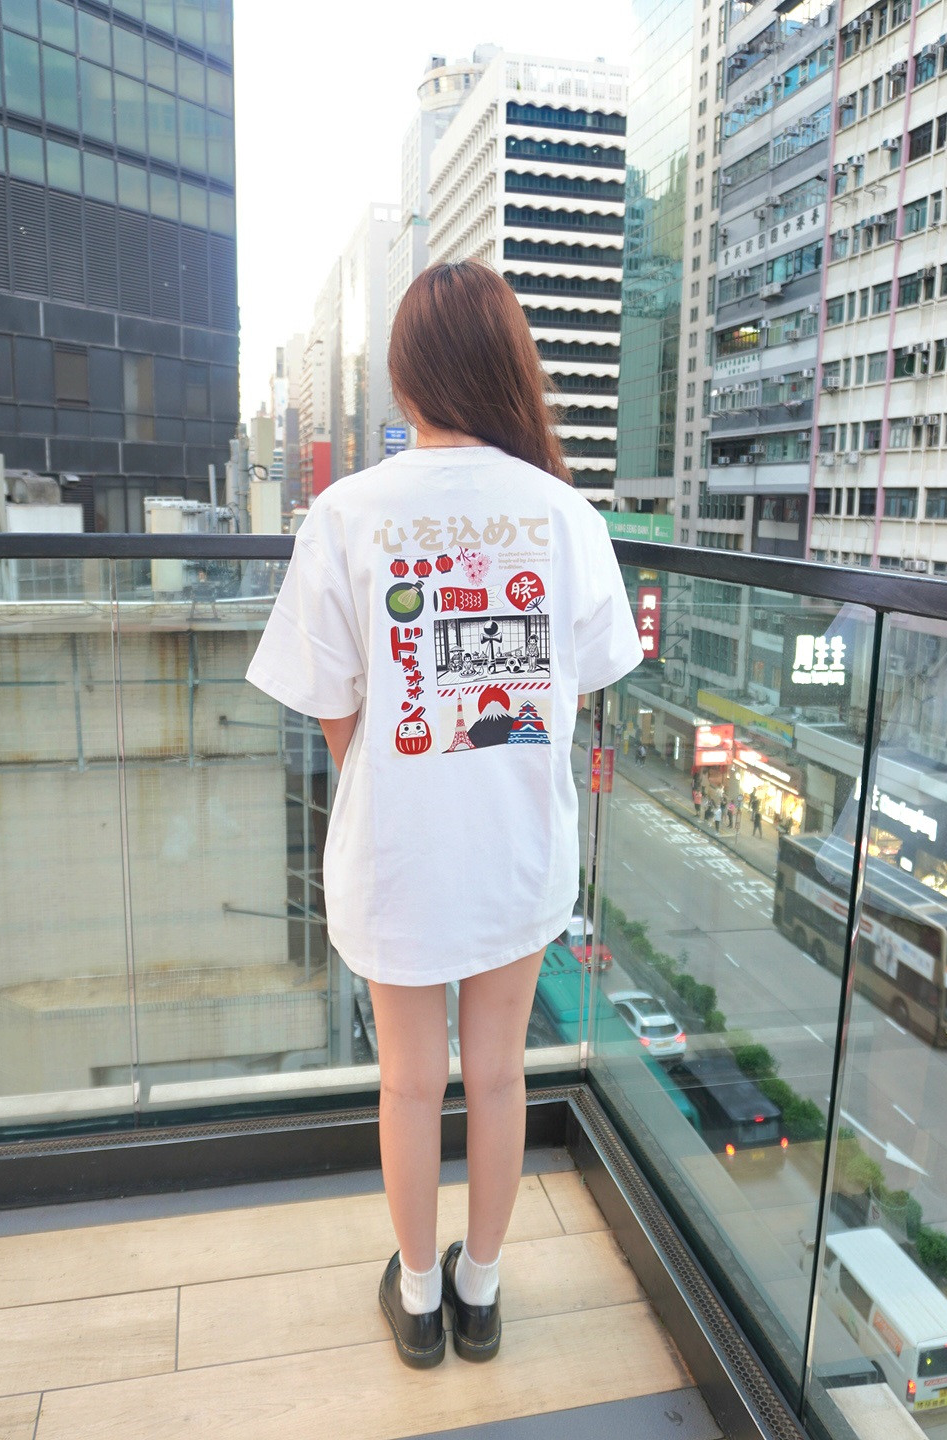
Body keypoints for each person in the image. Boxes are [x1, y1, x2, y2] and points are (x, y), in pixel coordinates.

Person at [245, 261, 642, 1370]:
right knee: (502, 1073)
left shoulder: (346, 513)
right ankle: (483, 1290)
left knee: (410, 1081)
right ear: (509, 367)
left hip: (398, 853)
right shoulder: (565, 515)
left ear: (408, 376)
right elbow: (580, 684)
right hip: (518, 847)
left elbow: (333, 705)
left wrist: (393, 773)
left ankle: (418, 1301)